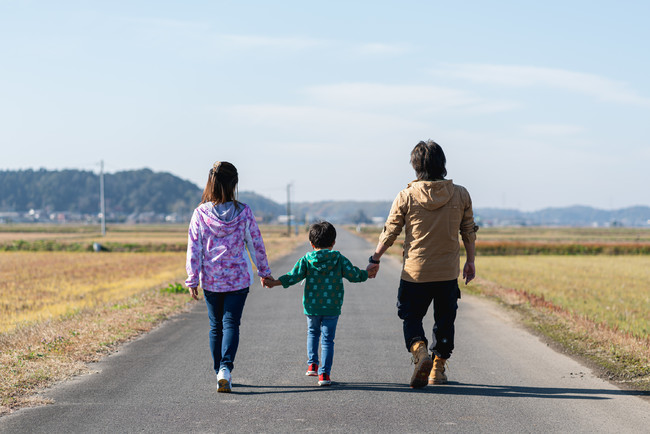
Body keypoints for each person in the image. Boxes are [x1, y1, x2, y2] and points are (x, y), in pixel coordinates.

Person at [366, 140, 478, 388]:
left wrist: (375, 259)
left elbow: (390, 231)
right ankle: (437, 368)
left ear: (415, 166)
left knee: (411, 316)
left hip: (415, 273)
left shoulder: (406, 195)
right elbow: (468, 231)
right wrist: (470, 261)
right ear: (443, 164)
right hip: (447, 272)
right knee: (445, 320)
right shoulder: (460, 194)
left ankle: (420, 351)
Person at [186, 161, 272, 393]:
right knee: (231, 323)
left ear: (210, 183)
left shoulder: (200, 214)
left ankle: (218, 372)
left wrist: (192, 279)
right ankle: (226, 368)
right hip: (238, 280)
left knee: (216, 327)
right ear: (234, 184)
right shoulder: (244, 212)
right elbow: (256, 244)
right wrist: (264, 271)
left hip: (212, 281)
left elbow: (194, 249)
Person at [263, 221, 371, 386]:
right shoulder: (339, 259)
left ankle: (312, 365)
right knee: (328, 340)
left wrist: (274, 282)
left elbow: (293, 277)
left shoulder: (307, 259)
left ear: (311, 243)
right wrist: (367, 274)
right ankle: (324, 376)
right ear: (333, 242)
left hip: (312, 306)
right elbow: (354, 275)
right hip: (332, 306)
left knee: (313, 333)